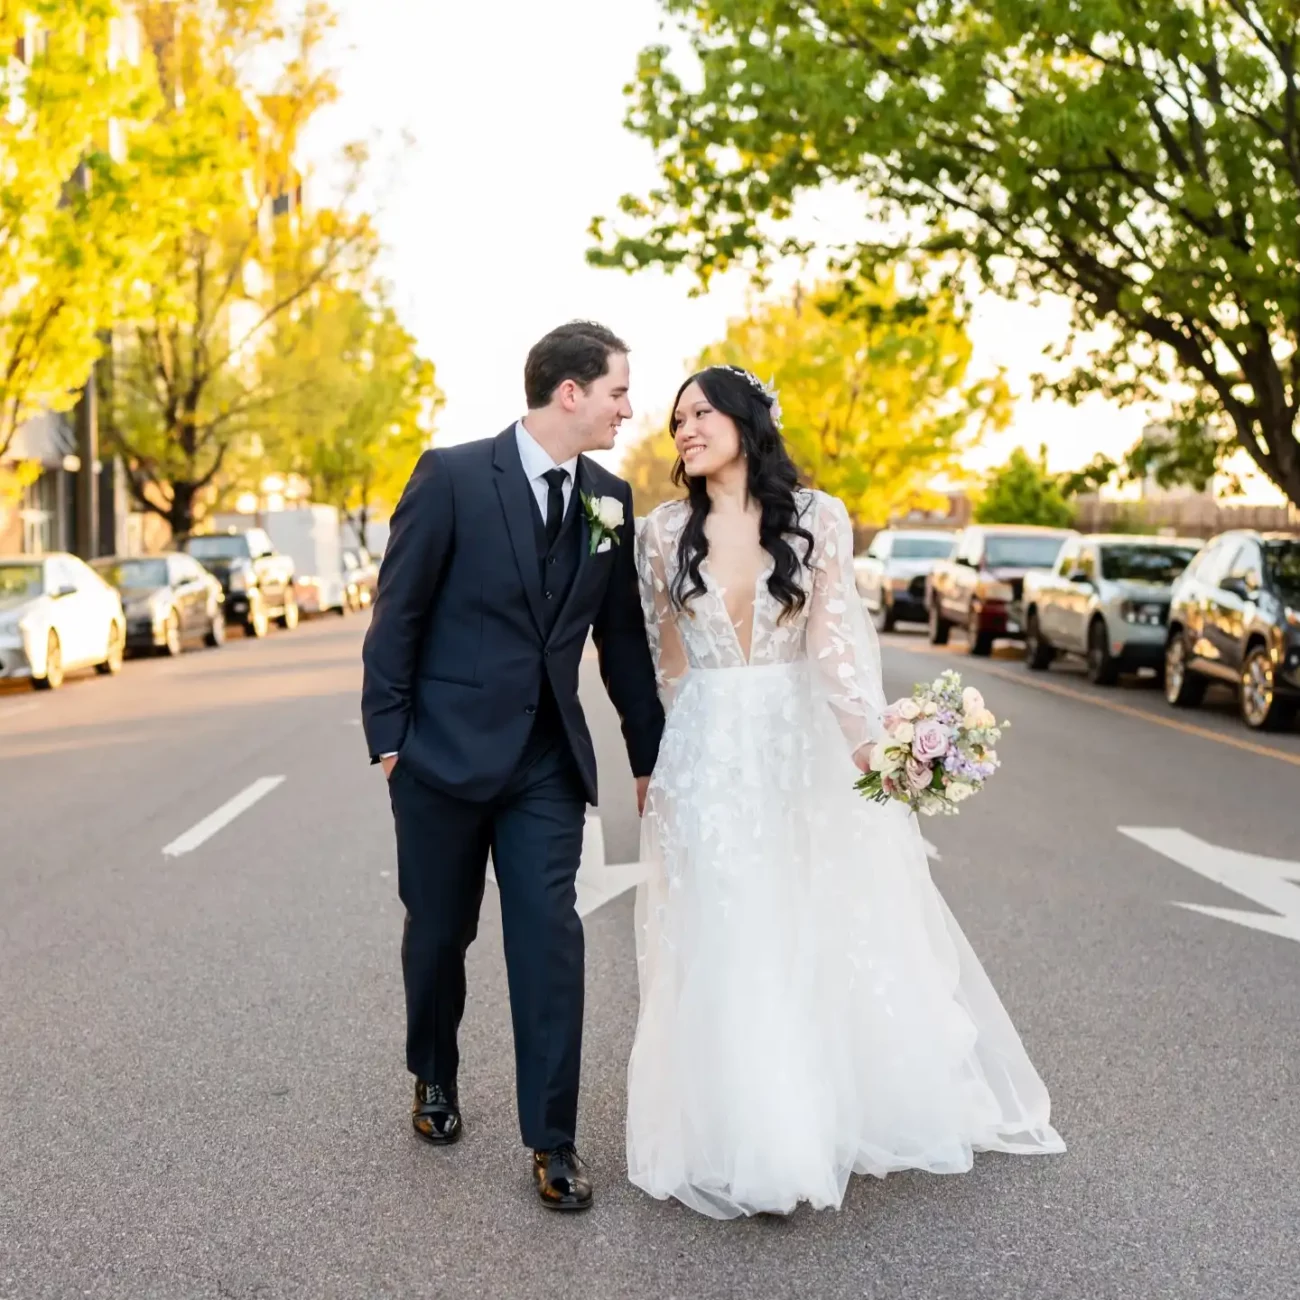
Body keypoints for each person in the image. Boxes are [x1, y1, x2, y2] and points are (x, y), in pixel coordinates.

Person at [627, 365, 1065, 1219]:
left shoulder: (820, 520)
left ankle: (806, 1122)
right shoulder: (661, 532)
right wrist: (663, 767)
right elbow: (663, 662)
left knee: (797, 920)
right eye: (676, 419)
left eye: (700, 413)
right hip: (707, 752)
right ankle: (739, 1132)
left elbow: (835, 647)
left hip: (799, 748)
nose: (683, 429)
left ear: (748, 421)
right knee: (722, 932)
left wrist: (877, 747)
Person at [361, 321, 664, 1212]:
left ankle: (554, 1140)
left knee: (549, 943)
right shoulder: (452, 476)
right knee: (439, 936)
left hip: (545, 767)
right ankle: (434, 1074)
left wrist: (649, 756)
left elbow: (623, 646)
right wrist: (390, 740)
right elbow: (398, 613)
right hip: (440, 762)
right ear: (569, 393)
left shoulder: (610, 497)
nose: (628, 407)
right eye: (617, 390)